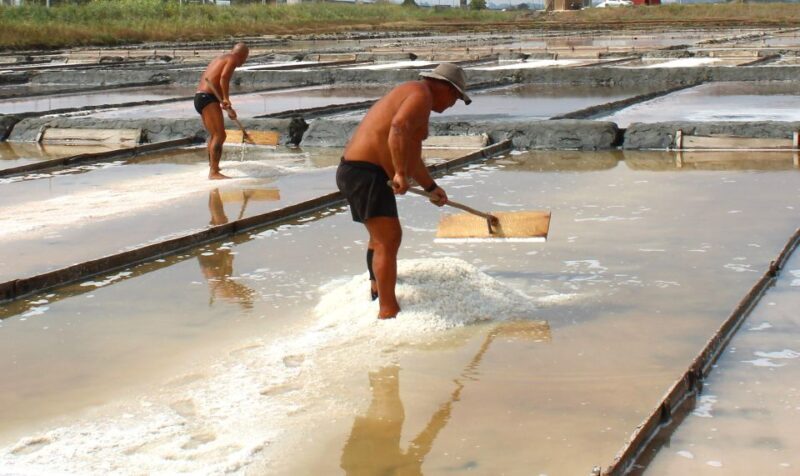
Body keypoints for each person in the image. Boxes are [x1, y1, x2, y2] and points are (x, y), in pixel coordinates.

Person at [336, 63, 472, 320]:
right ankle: (387, 311)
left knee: (380, 237)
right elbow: (398, 128)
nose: (452, 104)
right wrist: (399, 172)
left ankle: (377, 289)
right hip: (365, 173)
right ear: (446, 88)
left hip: (358, 172)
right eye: (455, 97)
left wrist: (431, 187)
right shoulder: (421, 94)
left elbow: (411, 155)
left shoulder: (416, 97)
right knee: (388, 239)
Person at [194, 42, 249, 180]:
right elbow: (224, 78)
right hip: (207, 97)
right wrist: (226, 99)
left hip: (201, 97)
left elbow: (215, 81)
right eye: (245, 58)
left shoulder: (219, 59)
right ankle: (213, 172)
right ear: (242, 55)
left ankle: (213, 167)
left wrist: (227, 107)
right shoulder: (233, 58)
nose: (244, 62)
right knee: (220, 135)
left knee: (214, 135)